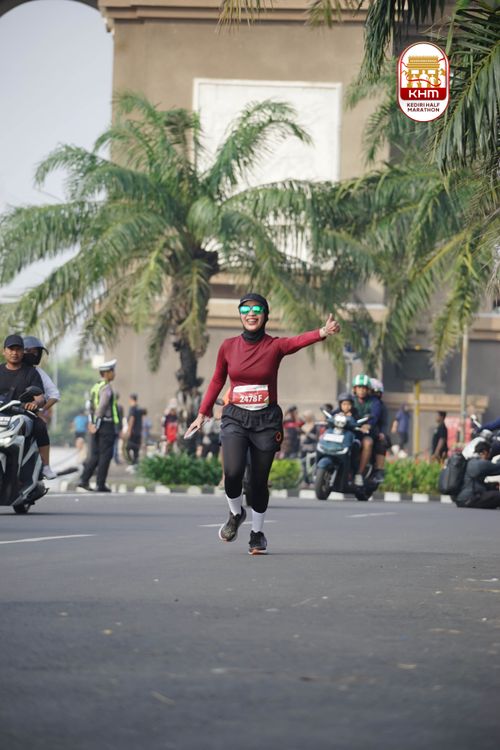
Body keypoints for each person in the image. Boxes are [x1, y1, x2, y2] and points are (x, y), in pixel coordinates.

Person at [185, 293, 341, 555]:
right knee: (232, 472)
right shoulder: (228, 346)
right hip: (235, 417)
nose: (251, 314)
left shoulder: (274, 346)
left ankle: (257, 534)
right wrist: (202, 413)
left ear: (265, 315)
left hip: (266, 421)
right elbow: (217, 380)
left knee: (258, 482)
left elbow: (296, 341)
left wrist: (322, 332)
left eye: (257, 309)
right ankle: (236, 514)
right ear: (240, 315)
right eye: (245, 309)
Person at [0, 334, 56, 479]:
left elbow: (40, 397)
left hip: (22, 414)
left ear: (23, 352)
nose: (14, 353)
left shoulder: (32, 372)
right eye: (11, 349)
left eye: (18, 349)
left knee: (40, 426)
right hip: (1, 414)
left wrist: (35, 404)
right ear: (4, 351)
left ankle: (45, 466)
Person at [78, 359, 120, 492]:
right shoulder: (106, 388)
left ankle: (84, 480)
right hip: (105, 425)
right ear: (106, 373)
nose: (114, 374)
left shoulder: (96, 386)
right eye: (112, 371)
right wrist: (96, 424)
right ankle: (100, 484)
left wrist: (92, 423)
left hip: (96, 425)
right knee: (105, 455)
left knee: (95, 455)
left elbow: (90, 407)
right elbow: (102, 406)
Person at [351, 373, 381, 487]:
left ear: (368, 390)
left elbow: (375, 415)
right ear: (355, 389)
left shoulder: (374, 402)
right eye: (359, 387)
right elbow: (339, 409)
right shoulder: (350, 400)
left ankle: (359, 473)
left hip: (365, 432)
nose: (361, 390)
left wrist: (368, 425)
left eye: (364, 388)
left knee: (368, 443)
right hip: (351, 431)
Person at [455, 441, 500, 509]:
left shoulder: (471, 461)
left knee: (494, 486)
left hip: (462, 499)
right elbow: (497, 468)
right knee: (497, 495)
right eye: (489, 454)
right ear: (485, 452)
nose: (489, 457)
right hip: (469, 499)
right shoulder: (480, 463)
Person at [370, 378, 389, 482]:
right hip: (357, 429)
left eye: (377, 393)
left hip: (374, 432)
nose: (374, 395)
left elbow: (384, 423)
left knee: (381, 442)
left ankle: (379, 470)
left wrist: (382, 433)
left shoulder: (380, 405)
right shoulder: (354, 401)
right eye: (372, 392)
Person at [126, 393, 143, 464]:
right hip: (138, 431)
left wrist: (129, 430)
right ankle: (135, 462)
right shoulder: (139, 408)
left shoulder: (132, 408)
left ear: (131, 399)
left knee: (127, 448)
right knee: (136, 448)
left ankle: (132, 462)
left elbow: (132, 419)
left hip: (133, 431)